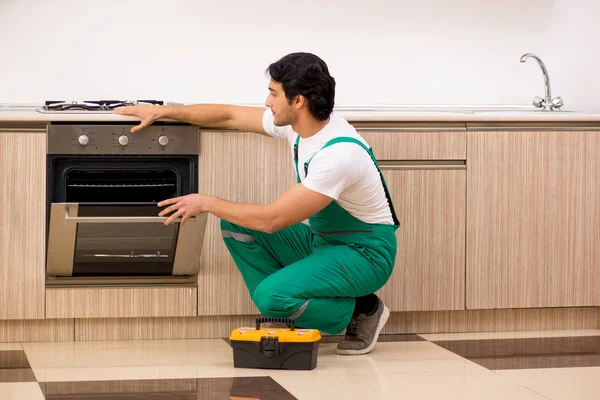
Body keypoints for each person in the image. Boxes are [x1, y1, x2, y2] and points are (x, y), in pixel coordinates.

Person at [114, 52, 400, 355]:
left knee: (271, 295)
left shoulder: (338, 155)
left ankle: (362, 310)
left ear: (298, 100)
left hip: (366, 254)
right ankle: (287, 305)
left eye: (273, 94)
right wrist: (164, 112)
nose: (267, 102)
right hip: (325, 243)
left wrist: (207, 202)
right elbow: (229, 115)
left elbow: (270, 221)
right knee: (236, 223)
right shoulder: (301, 127)